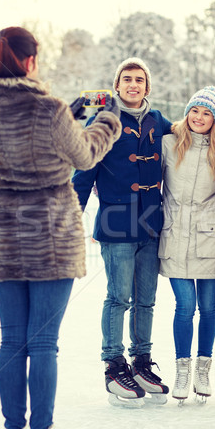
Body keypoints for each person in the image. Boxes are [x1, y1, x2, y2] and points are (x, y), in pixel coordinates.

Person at [0, 27, 121, 429]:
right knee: (44, 343)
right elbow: (86, 154)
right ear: (31, 62)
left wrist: (67, 117)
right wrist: (106, 119)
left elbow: (16, 153)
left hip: (6, 235)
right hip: (50, 235)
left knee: (12, 342)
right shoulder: (47, 109)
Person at [72, 57, 172, 406]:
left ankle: (141, 362)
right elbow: (84, 172)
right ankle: (114, 365)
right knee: (119, 297)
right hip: (116, 224)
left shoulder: (160, 122)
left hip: (151, 223)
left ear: (148, 87)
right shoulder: (105, 121)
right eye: (127, 79)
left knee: (146, 299)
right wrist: (71, 217)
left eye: (139, 79)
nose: (133, 84)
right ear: (117, 86)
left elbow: (195, 137)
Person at [159, 87, 215, 404]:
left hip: (208, 237)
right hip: (173, 235)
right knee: (185, 307)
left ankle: (203, 367)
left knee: (209, 307)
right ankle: (182, 369)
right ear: (187, 112)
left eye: (207, 113)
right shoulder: (169, 144)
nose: (199, 118)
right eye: (195, 111)